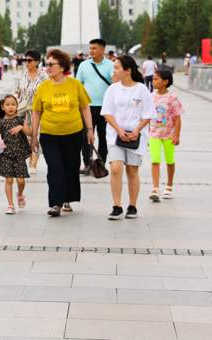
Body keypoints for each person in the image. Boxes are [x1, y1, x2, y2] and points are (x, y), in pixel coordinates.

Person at [31, 49, 93, 217]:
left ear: (62, 66)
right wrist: (34, 136)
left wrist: (89, 130)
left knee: (71, 167)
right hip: (49, 135)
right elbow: (36, 112)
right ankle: (56, 203)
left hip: (73, 134)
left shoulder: (75, 85)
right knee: (55, 167)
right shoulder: (43, 87)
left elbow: (85, 107)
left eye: (51, 64)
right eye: (47, 64)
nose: (47, 67)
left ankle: (67, 198)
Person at [101, 55, 155, 220]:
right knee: (116, 168)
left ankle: (132, 206)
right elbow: (107, 113)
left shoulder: (141, 89)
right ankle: (117, 206)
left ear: (128, 70)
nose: (114, 71)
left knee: (132, 170)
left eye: (117, 67)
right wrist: (118, 130)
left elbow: (148, 114)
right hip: (115, 136)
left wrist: (137, 130)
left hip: (135, 137)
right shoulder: (112, 89)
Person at [76, 39, 114, 175]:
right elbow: (78, 85)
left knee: (104, 137)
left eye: (94, 48)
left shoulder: (111, 65)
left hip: (106, 109)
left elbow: (115, 85)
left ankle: (101, 163)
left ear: (103, 50)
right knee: (86, 137)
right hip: (87, 108)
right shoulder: (83, 65)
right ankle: (87, 164)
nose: (91, 51)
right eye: (90, 48)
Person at [149, 69, 183, 202]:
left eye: (156, 79)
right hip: (154, 134)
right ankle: (155, 188)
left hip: (169, 135)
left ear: (165, 82)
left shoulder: (172, 98)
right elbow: (147, 116)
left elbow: (177, 118)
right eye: (153, 79)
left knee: (169, 161)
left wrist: (177, 135)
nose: (153, 81)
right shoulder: (151, 96)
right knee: (155, 160)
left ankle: (169, 186)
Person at [0, 95, 31, 215]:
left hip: (19, 154)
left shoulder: (20, 120)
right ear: (3, 107)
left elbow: (29, 133)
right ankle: (10, 204)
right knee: (8, 180)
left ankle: (20, 194)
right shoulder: (0, 122)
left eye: (13, 104)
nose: (10, 107)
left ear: (17, 106)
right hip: (6, 155)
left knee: (20, 181)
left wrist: (21, 127)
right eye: (7, 104)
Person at [14, 49, 48, 174]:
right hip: (23, 110)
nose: (26, 63)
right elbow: (17, 92)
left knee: (36, 134)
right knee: (27, 136)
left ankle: (34, 162)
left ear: (37, 61)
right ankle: (30, 156)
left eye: (29, 60)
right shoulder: (22, 75)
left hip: (38, 111)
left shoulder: (44, 76)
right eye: (25, 60)